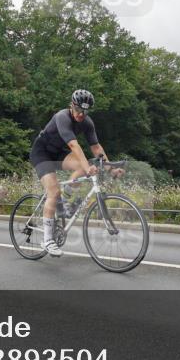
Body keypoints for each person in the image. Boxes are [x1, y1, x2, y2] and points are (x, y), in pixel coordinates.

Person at [29, 90, 122, 257]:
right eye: (78, 109)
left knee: (82, 166)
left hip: (59, 153)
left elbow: (96, 147)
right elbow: (74, 145)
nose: (81, 114)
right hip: (42, 153)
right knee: (53, 192)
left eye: (85, 111)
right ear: (72, 105)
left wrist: (111, 168)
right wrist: (88, 168)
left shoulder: (87, 123)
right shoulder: (62, 117)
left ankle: (64, 200)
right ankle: (48, 240)